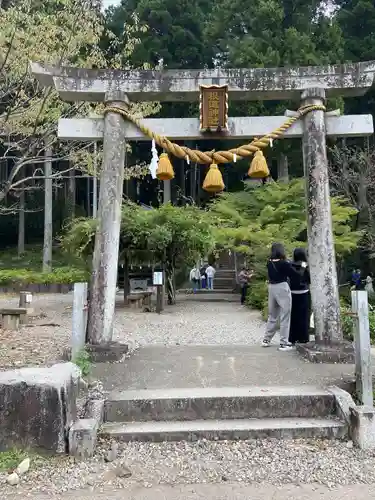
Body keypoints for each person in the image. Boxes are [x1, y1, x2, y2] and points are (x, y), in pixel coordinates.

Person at [262, 242, 305, 351]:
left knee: (272, 315)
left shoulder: (269, 262)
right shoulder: (284, 263)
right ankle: (284, 343)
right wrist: (303, 266)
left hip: (271, 288)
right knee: (285, 315)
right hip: (282, 288)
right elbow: (296, 274)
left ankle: (266, 340)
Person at [288, 248, 311, 345]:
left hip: (292, 293)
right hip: (304, 292)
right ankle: (303, 338)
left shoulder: (290, 264)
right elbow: (309, 279)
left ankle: (292, 338)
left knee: (293, 316)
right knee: (304, 316)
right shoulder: (305, 265)